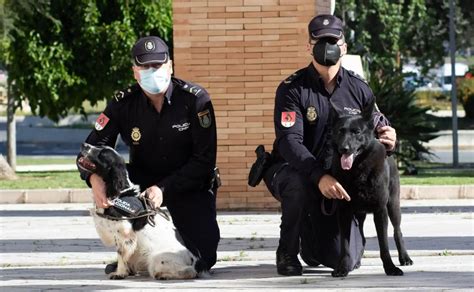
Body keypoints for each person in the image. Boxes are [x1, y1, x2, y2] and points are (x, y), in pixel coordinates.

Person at [263, 15, 397, 276]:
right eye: (320, 41)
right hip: (299, 171)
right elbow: (290, 142)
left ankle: (327, 238)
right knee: (297, 184)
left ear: (344, 46)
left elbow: (378, 126)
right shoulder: (293, 89)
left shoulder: (359, 89)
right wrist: (319, 175)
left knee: (340, 259)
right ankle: (288, 252)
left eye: (333, 40)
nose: (327, 46)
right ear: (309, 46)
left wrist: (389, 138)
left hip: (340, 179)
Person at [76, 36, 220, 272]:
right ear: (135, 71)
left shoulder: (195, 100)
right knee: (109, 179)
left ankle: (144, 255)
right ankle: (130, 253)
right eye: (145, 67)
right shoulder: (123, 104)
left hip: (187, 185)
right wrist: (94, 180)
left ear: (170, 66)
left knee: (202, 258)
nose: (152, 71)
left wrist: (163, 189)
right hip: (141, 192)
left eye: (157, 65)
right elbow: (87, 152)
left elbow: (204, 161)